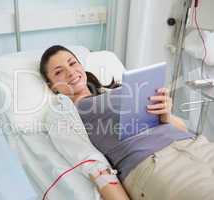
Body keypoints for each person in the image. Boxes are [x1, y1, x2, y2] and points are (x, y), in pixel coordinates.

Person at [40, 45, 214, 200]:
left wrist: (166, 115)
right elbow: (89, 161)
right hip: (156, 165)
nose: (70, 72)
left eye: (72, 63)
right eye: (58, 72)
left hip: (197, 146)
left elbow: (181, 128)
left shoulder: (123, 88)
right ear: (52, 86)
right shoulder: (64, 112)